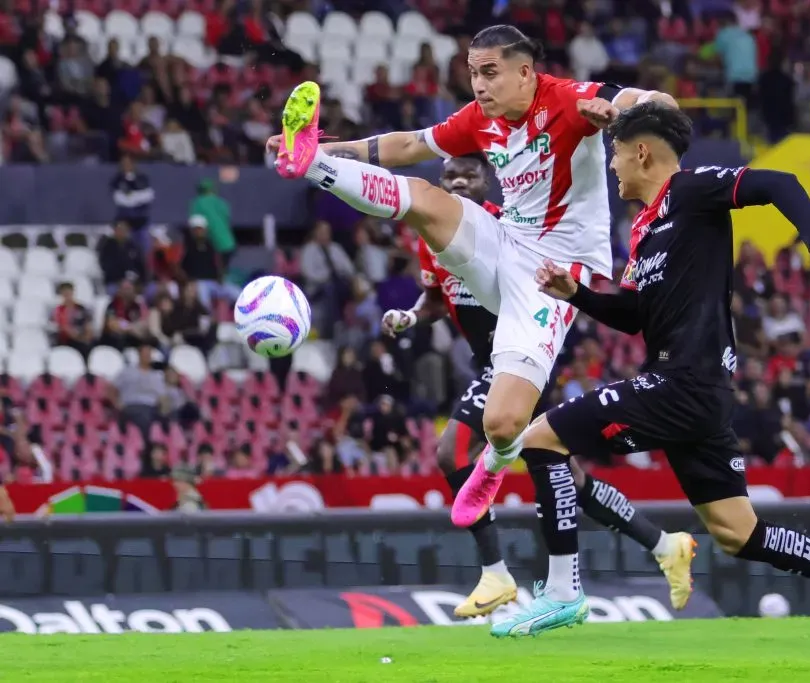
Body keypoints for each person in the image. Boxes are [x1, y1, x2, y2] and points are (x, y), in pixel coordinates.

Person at [461, 103, 810, 661]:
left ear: (641, 152)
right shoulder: (645, 227)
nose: (614, 168)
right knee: (736, 531)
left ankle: (562, 590)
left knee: (537, 439)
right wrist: (576, 294)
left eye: (616, 155)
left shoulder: (690, 191)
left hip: (685, 382)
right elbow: (635, 315)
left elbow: (779, 182)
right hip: (694, 389)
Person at [268, 25, 680, 513]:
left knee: (503, 425)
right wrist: (328, 150)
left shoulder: (572, 99)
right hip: (503, 241)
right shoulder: (480, 119)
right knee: (426, 199)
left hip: (554, 275)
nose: (479, 85)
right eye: (472, 74)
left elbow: (664, 104)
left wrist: (619, 114)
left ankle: (497, 461)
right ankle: (310, 162)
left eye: (490, 73)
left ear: (526, 72)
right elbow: (404, 147)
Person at [381, 153, 693, 618]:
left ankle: (496, 573)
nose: (459, 182)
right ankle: (665, 544)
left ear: (488, 182)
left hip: (521, 360)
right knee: (568, 476)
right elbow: (435, 295)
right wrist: (411, 315)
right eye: (450, 175)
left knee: (452, 452)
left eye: (470, 174)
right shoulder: (434, 232)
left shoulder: (502, 230)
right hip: (492, 362)